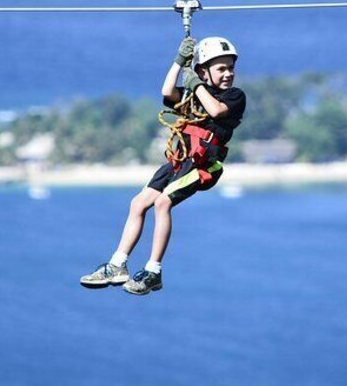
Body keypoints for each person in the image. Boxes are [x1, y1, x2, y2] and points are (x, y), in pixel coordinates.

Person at [80, 36, 247, 295]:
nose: (228, 74)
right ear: (204, 71)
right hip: (178, 161)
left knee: (162, 202)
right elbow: (167, 92)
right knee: (138, 203)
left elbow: (214, 110)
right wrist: (179, 62)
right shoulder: (193, 96)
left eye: (230, 68)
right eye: (221, 68)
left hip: (203, 165)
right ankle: (117, 265)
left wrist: (195, 84)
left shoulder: (235, 97)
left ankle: (153, 271)